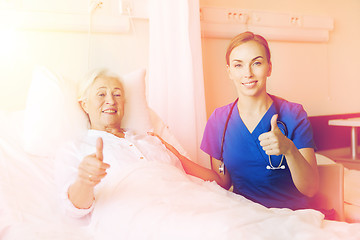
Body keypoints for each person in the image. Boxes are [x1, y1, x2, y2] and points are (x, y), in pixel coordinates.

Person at [154, 31, 319, 211]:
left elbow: (311, 189)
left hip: (294, 216)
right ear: (229, 71)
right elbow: (222, 181)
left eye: (256, 63)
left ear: (269, 68)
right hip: (245, 215)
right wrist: (177, 157)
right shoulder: (219, 120)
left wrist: (289, 150)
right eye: (238, 65)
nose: (247, 73)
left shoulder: (293, 114)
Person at [55, 69, 182, 220]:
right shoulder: (75, 148)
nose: (111, 101)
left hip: (186, 203)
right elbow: (72, 210)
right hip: (139, 218)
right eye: (101, 94)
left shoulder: (150, 139)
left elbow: (186, 177)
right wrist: (85, 181)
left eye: (117, 94)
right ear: (84, 105)